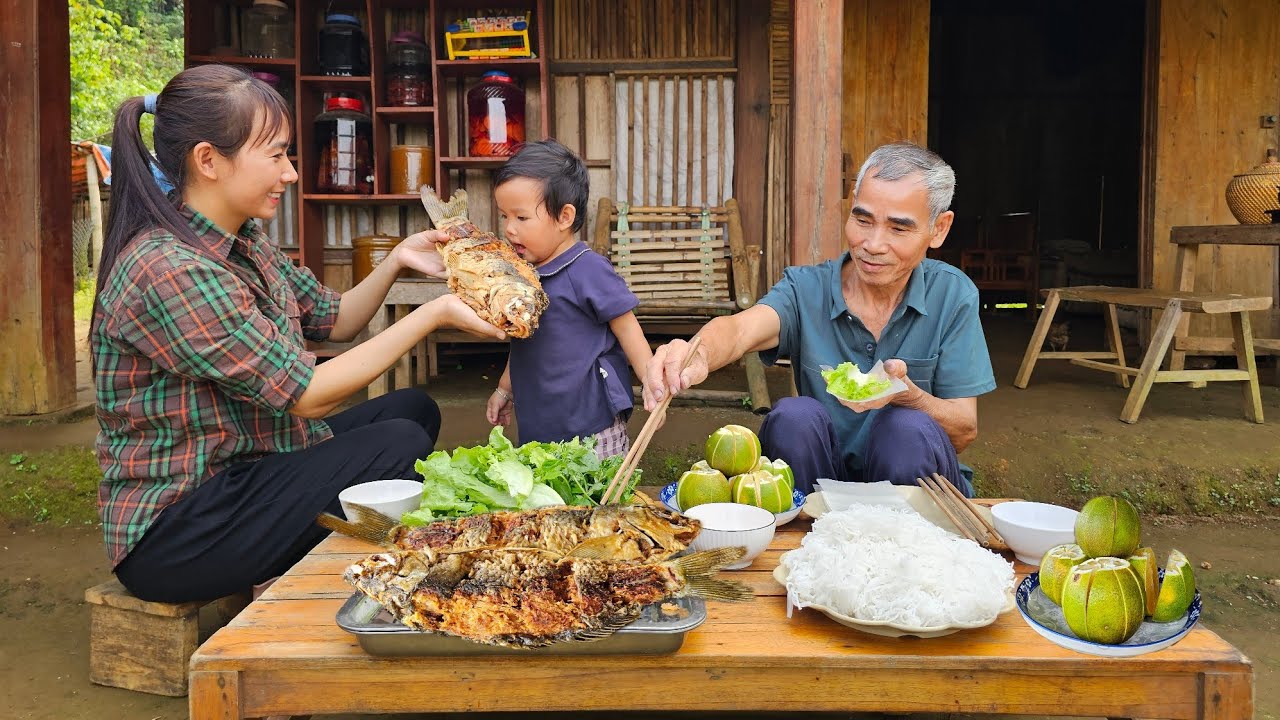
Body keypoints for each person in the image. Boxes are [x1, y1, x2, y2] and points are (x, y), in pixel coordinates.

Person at [93, 64, 504, 604]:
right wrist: (432, 314)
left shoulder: (244, 240)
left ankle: (318, 554)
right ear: (209, 160)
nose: (290, 173)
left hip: (247, 472)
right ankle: (313, 572)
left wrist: (398, 260)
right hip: (180, 530)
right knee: (396, 444)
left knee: (411, 412)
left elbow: (335, 319)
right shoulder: (171, 269)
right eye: (276, 154)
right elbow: (305, 397)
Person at [643, 142, 995, 496]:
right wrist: (696, 354)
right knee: (793, 418)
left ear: (939, 229)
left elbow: (963, 431)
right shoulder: (805, 289)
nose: (873, 243)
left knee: (904, 429)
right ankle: (805, 540)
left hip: (916, 490)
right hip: (822, 483)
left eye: (898, 229)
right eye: (862, 219)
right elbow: (740, 330)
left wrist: (908, 397)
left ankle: (901, 546)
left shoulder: (952, 295)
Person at [481, 139, 652, 458]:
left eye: (521, 218)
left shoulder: (587, 267)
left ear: (564, 217)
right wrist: (504, 389)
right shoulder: (522, 274)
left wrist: (652, 382)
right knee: (551, 505)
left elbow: (627, 329)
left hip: (592, 428)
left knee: (601, 503)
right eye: (504, 216)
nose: (509, 229)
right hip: (539, 427)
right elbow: (522, 344)